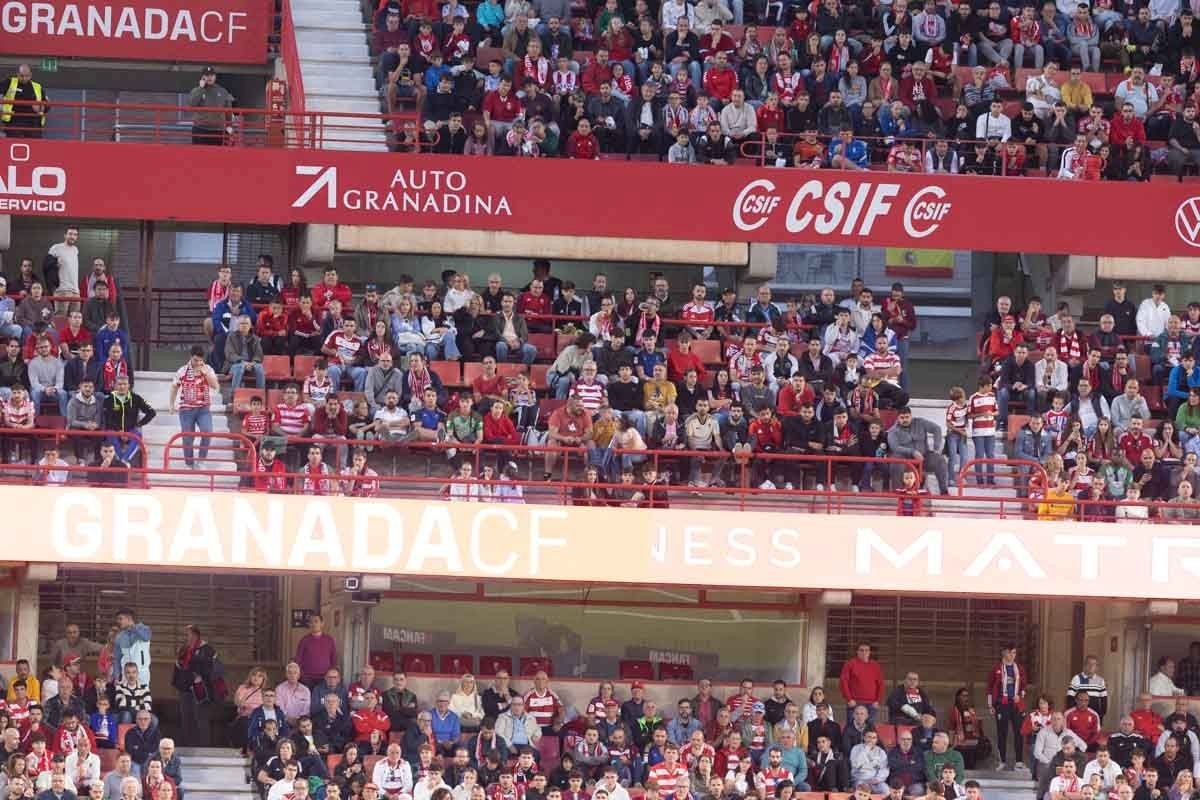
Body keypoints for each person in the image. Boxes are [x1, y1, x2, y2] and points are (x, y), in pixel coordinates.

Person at [168, 346, 219, 469]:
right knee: (187, 437)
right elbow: (174, 387)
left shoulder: (208, 369)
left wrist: (206, 374)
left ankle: (201, 461)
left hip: (203, 409)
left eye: (200, 360)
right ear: (190, 357)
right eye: (196, 360)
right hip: (186, 410)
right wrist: (171, 404)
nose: (198, 363)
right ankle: (189, 463)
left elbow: (216, 386)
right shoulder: (182, 370)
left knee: (207, 432)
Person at [170, 625, 218, 748]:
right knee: (186, 718)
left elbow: (211, 669)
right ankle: (187, 746)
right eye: (186, 635)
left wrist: (198, 674)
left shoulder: (208, 650)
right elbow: (179, 666)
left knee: (201, 718)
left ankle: (204, 747)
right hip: (185, 688)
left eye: (189, 634)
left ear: (196, 635)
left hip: (201, 689)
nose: (187, 637)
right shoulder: (184, 649)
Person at [988, 643, 1027, 771]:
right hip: (1002, 704)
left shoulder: (1019, 668)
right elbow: (990, 687)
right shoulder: (997, 668)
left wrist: (1020, 696)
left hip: (1016, 704)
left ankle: (1019, 762)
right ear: (1003, 653)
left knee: (1019, 732)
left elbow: (1023, 686)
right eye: (1010, 652)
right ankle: (1001, 761)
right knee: (1001, 733)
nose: (1012, 655)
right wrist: (991, 705)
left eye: (1014, 653)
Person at [188, 67, 234, 145]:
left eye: (212, 75)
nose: (209, 77)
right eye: (207, 75)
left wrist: (229, 126)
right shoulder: (196, 90)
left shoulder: (222, 91)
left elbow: (228, 110)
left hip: (218, 130)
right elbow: (191, 104)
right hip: (200, 129)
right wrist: (201, 88)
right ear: (203, 77)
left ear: (215, 77)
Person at [2, 63, 47, 138]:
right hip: (14, 120)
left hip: (33, 122)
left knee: (36, 145)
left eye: (27, 76)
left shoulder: (37, 86)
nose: (24, 78)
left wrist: (40, 108)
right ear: (17, 74)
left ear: (31, 75)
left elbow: (46, 104)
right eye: (21, 76)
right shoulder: (9, 82)